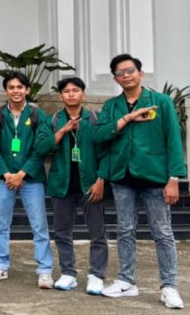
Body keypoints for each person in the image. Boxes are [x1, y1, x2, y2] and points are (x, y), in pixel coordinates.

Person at [95, 54, 185, 308]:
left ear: (140, 74)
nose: (126, 75)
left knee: (163, 233)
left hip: (156, 177)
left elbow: (173, 141)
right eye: (120, 73)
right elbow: (100, 134)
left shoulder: (161, 102)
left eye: (130, 70)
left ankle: (169, 286)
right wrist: (126, 119)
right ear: (115, 79)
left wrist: (174, 178)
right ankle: (126, 281)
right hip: (123, 177)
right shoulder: (112, 106)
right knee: (125, 230)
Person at [0, 72, 55, 288]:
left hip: (30, 179)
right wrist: (6, 174)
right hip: (3, 178)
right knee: (1, 224)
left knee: (39, 225)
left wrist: (22, 174)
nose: (16, 91)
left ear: (27, 90)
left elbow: (40, 148)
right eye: (11, 87)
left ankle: (44, 270)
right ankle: (0, 265)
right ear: (6, 91)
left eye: (20, 87)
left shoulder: (37, 114)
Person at [46, 76, 108, 294]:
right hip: (61, 184)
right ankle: (68, 273)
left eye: (75, 90)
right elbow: (41, 147)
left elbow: (106, 153)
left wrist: (101, 180)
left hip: (90, 185)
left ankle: (96, 275)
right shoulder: (52, 120)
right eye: (66, 91)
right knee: (62, 232)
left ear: (83, 94)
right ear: (61, 96)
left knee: (97, 233)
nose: (71, 94)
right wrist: (62, 130)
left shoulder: (95, 119)